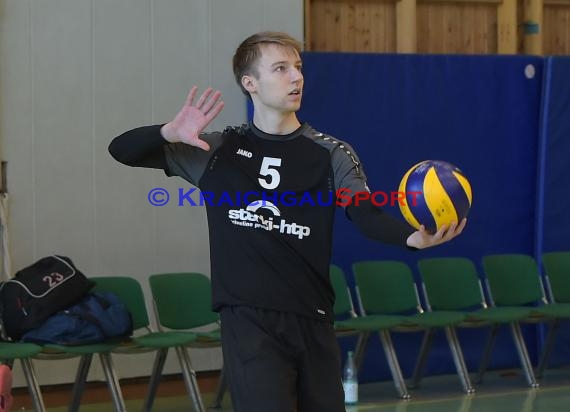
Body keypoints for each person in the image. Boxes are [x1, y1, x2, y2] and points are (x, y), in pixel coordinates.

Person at [109, 31, 466, 412]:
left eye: (298, 68)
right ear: (251, 83)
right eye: (280, 69)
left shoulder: (331, 153)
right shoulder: (216, 151)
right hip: (247, 319)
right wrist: (168, 132)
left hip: (312, 315)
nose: (296, 77)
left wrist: (410, 238)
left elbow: (365, 212)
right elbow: (122, 150)